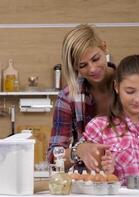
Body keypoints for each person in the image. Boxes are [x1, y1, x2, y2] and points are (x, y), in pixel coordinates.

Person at [83, 54, 139, 185]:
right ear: (116, 87)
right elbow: (93, 180)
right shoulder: (98, 127)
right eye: (130, 91)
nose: (138, 99)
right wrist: (105, 172)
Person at [47, 24, 116, 172]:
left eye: (95, 59)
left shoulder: (132, 86)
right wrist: (77, 151)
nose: (92, 69)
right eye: (83, 65)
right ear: (75, 67)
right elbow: (53, 157)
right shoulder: (67, 98)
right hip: (88, 184)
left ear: (104, 47)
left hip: (132, 182)